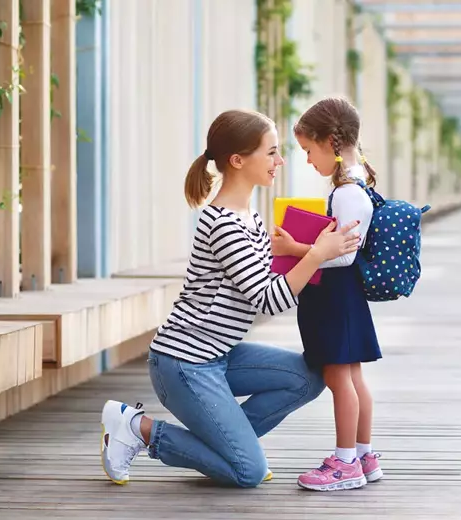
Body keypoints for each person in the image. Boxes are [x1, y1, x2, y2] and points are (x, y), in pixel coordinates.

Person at [100, 109, 361, 488]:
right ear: (238, 160)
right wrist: (317, 254)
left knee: (309, 377)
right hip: (183, 363)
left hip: (219, 354)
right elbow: (269, 300)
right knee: (247, 472)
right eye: (271, 152)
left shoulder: (250, 218)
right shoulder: (224, 224)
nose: (280, 160)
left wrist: (305, 250)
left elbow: (272, 286)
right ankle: (138, 428)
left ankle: (227, 447)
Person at [270, 97, 383, 491]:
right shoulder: (357, 183)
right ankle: (363, 455)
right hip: (344, 299)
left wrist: (293, 250)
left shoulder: (347, 192)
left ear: (331, 142)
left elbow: (341, 257)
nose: (306, 160)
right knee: (353, 378)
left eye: (308, 150)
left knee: (340, 380)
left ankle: (345, 462)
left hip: (334, 298)